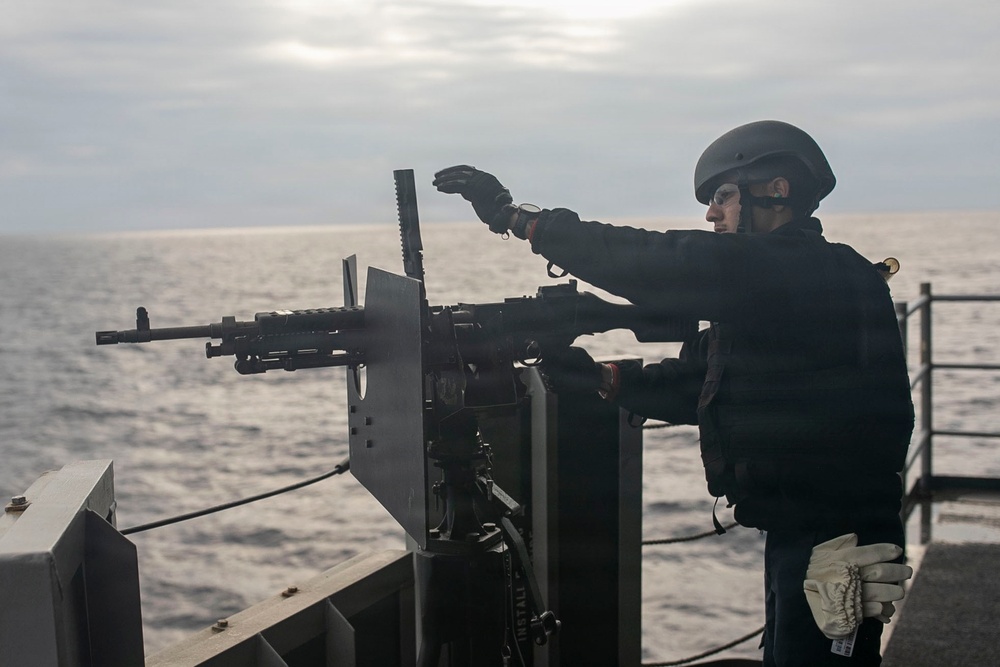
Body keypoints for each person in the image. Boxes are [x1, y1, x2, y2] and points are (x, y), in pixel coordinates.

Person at [432, 120, 915, 666]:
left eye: (723, 197)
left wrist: (521, 221)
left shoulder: (808, 270)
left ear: (776, 190)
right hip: (804, 530)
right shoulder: (784, 287)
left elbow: (671, 263)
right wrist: (604, 379)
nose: (711, 214)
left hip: (837, 540)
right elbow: (707, 379)